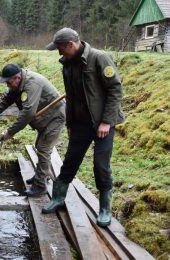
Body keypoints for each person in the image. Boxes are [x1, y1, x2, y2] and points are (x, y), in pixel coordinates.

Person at [42, 28, 125, 227]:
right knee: (70, 161)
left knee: (100, 165)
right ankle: (58, 198)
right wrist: (70, 123)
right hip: (80, 124)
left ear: (71, 44)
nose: (59, 53)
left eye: (60, 48)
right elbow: (71, 98)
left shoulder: (99, 58)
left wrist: (106, 121)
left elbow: (115, 89)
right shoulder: (68, 65)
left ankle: (104, 209)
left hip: (103, 123)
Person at [0, 64, 65, 197]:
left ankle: (40, 185)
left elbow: (28, 113)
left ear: (17, 78)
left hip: (55, 117)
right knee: (39, 146)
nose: (7, 86)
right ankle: (42, 175)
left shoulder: (32, 84)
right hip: (44, 117)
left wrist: (10, 132)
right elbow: (7, 98)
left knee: (43, 149)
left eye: (8, 83)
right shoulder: (17, 84)